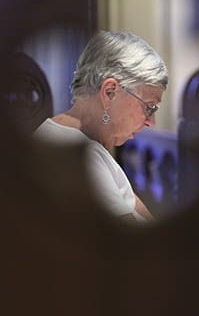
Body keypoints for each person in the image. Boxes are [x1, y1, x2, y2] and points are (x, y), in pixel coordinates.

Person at [34, 30, 168, 223]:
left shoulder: (63, 136)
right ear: (110, 92)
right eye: (149, 107)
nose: (150, 122)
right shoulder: (81, 156)